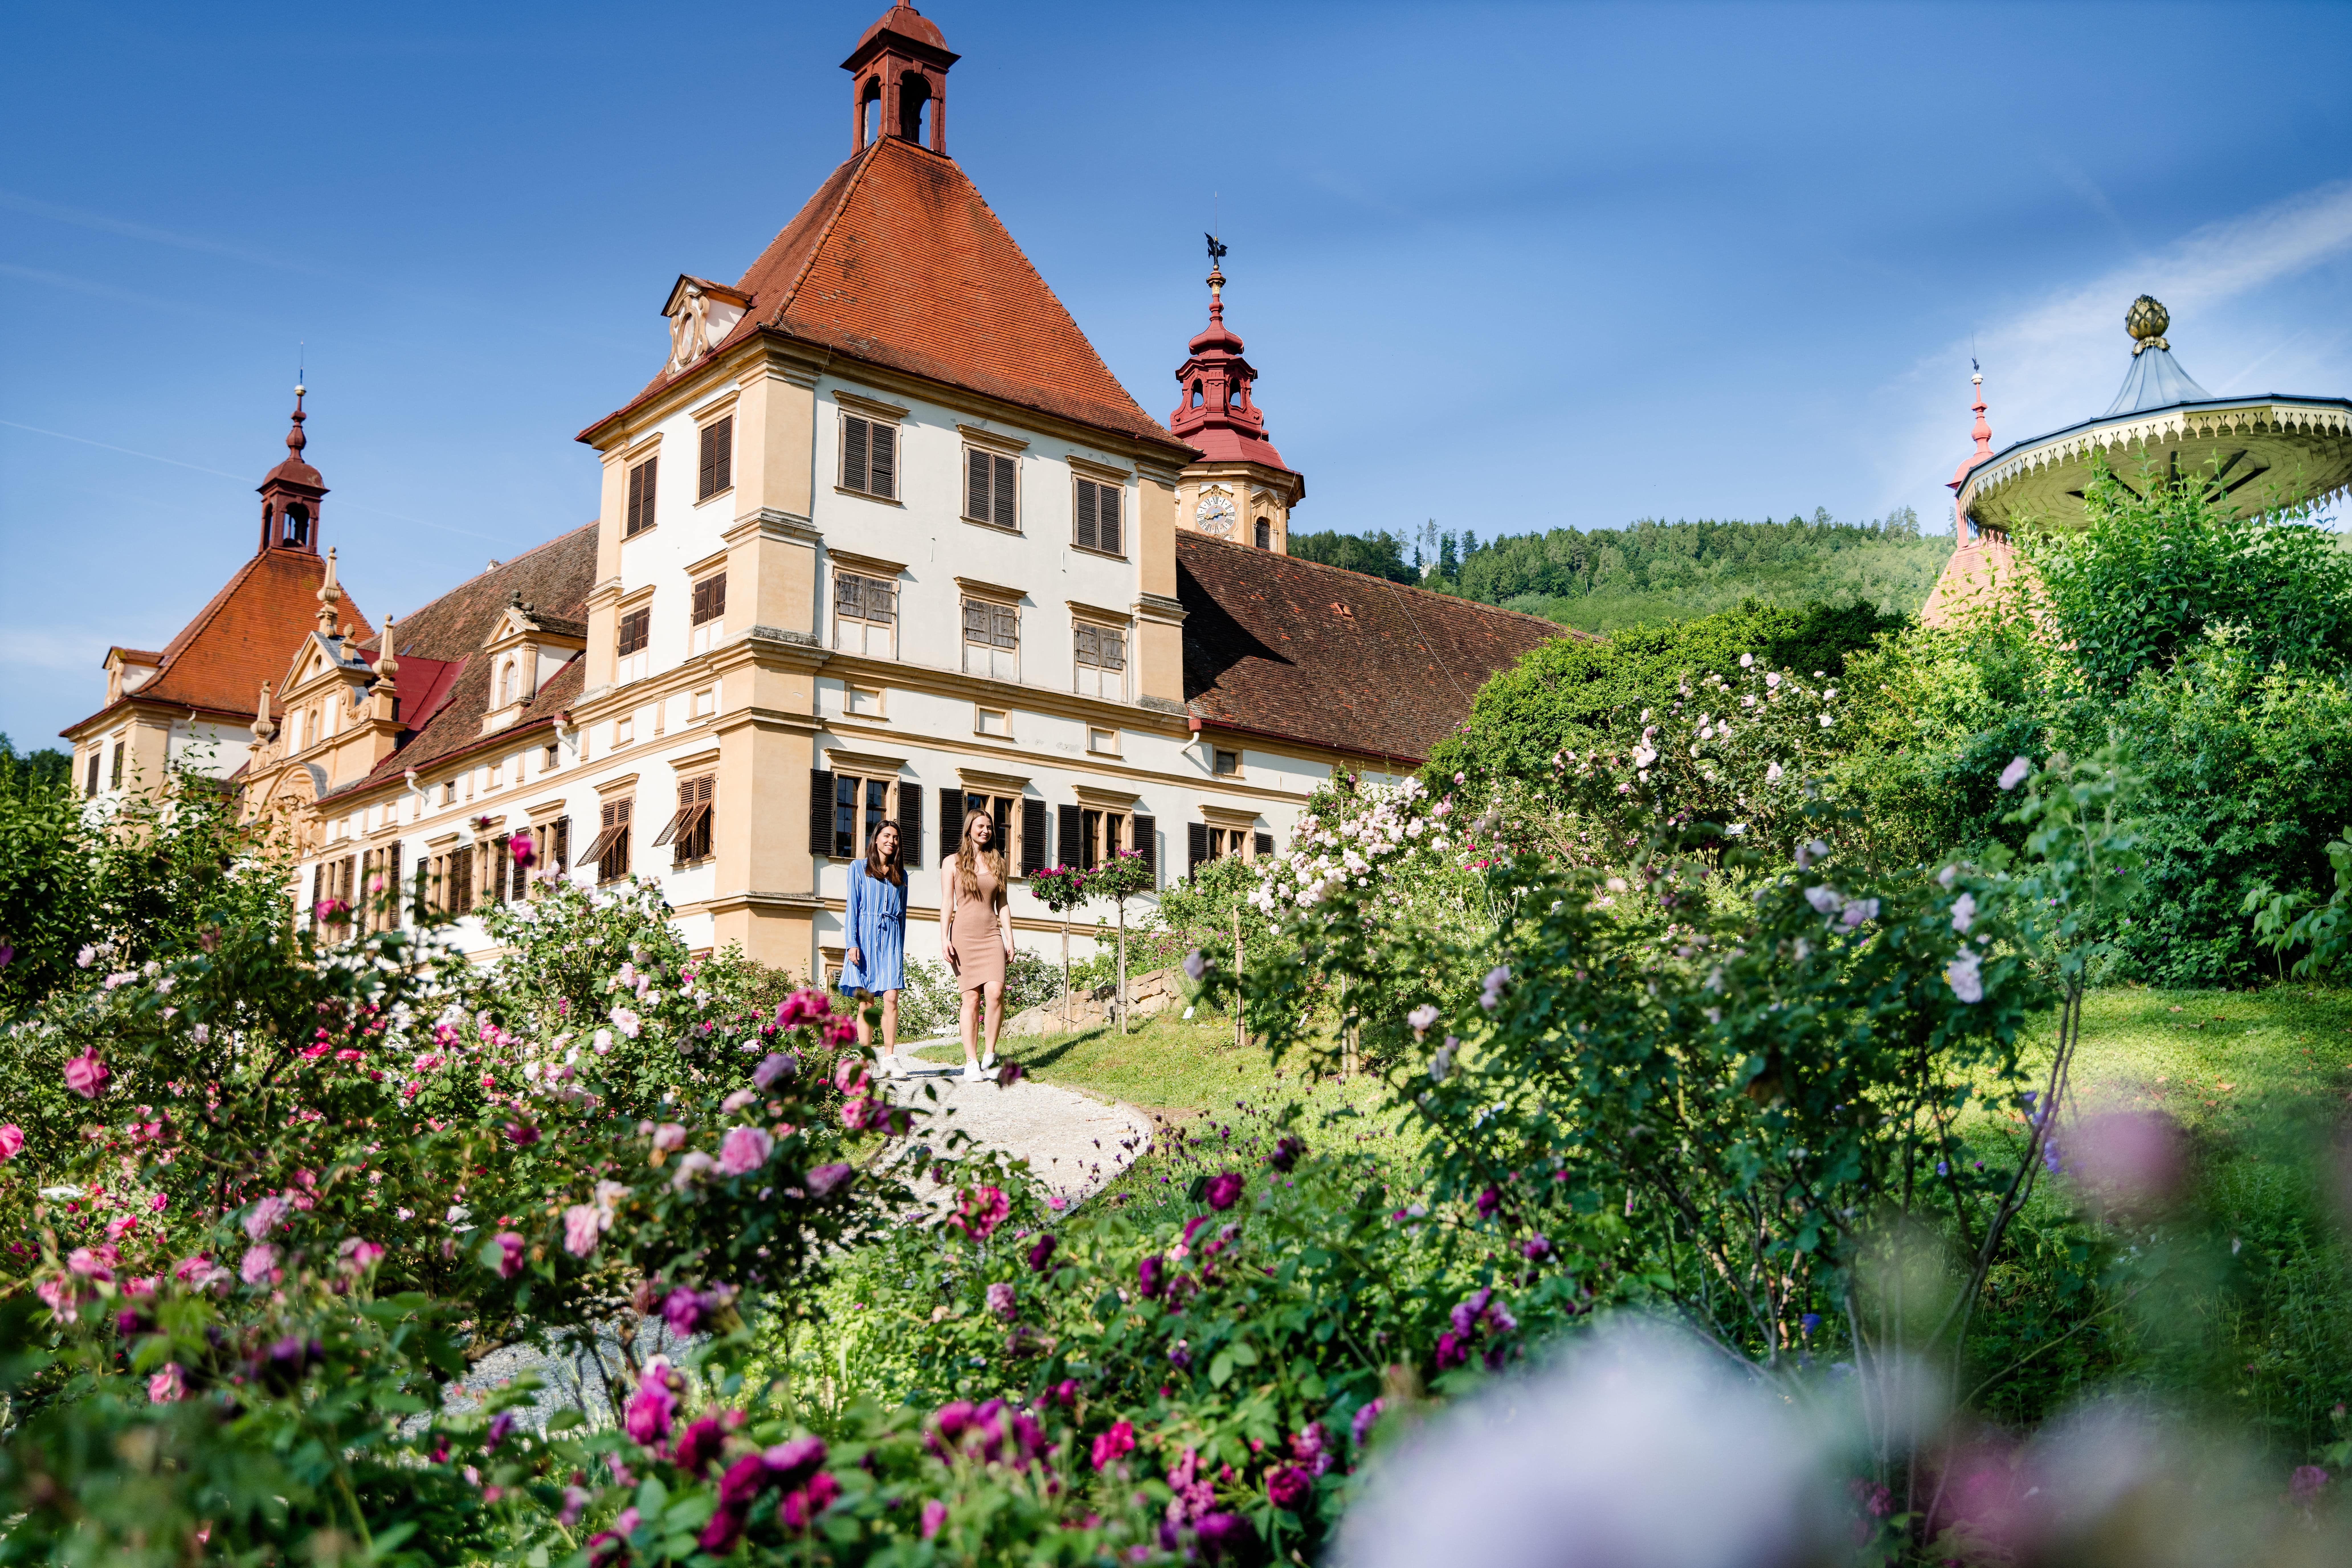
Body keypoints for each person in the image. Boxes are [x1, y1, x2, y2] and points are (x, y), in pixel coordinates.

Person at [941, 805, 1014, 1084]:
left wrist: (1009, 937)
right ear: (969, 828)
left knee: (995, 993)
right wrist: (944, 936)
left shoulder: (999, 862)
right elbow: (948, 902)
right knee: (971, 999)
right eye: (980, 826)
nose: (985, 831)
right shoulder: (952, 862)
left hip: (990, 933)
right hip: (963, 936)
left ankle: (990, 1055)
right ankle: (971, 1061)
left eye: (989, 827)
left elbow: (1003, 904)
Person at [840, 820, 909, 1077]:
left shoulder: (901, 875)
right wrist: (851, 943)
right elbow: (852, 908)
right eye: (887, 836)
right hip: (865, 939)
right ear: (877, 839)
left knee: (891, 997)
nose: (892, 841)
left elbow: (902, 916)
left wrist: (899, 949)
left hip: (890, 938)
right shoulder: (858, 868)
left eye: (896, 837)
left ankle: (891, 1058)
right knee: (867, 1002)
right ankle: (865, 1062)